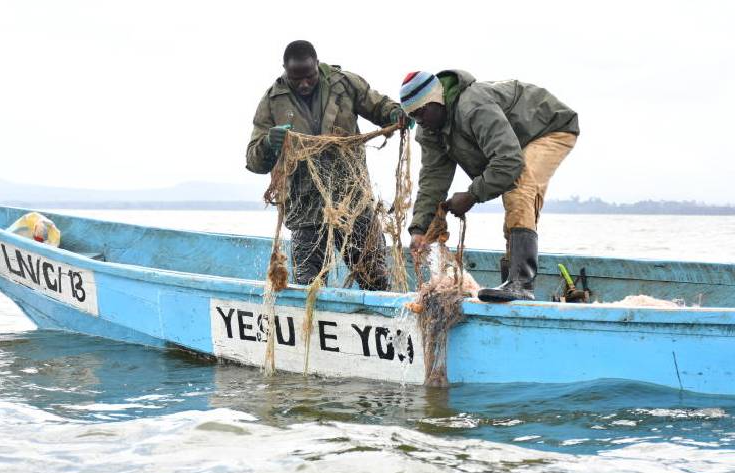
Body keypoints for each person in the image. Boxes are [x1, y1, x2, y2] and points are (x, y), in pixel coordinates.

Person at [400, 70, 579, 302]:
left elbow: (509, 162)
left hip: (549, 128)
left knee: (518, 189)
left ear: (437, 100)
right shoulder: (430, 130)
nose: (419, 121)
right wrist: (420, 230)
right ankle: (510, 284)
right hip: (513, 145)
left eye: (422, 112)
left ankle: (521, 284)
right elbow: (432, 180)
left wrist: (472, 195)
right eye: (413, 116)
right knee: (515, 196)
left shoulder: (473, 107)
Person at [246, 40, 407, 291]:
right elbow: (254, 161)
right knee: (308, 286)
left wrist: (395, 113)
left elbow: (378, 105)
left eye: (309, 76)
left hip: (353, 203)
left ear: (317, 66)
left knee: (375, 278)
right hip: (305, 209)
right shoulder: (272, 101)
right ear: (284, 70)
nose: (304, 84)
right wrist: (269, 143)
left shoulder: (344, 84)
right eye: (295, 78)